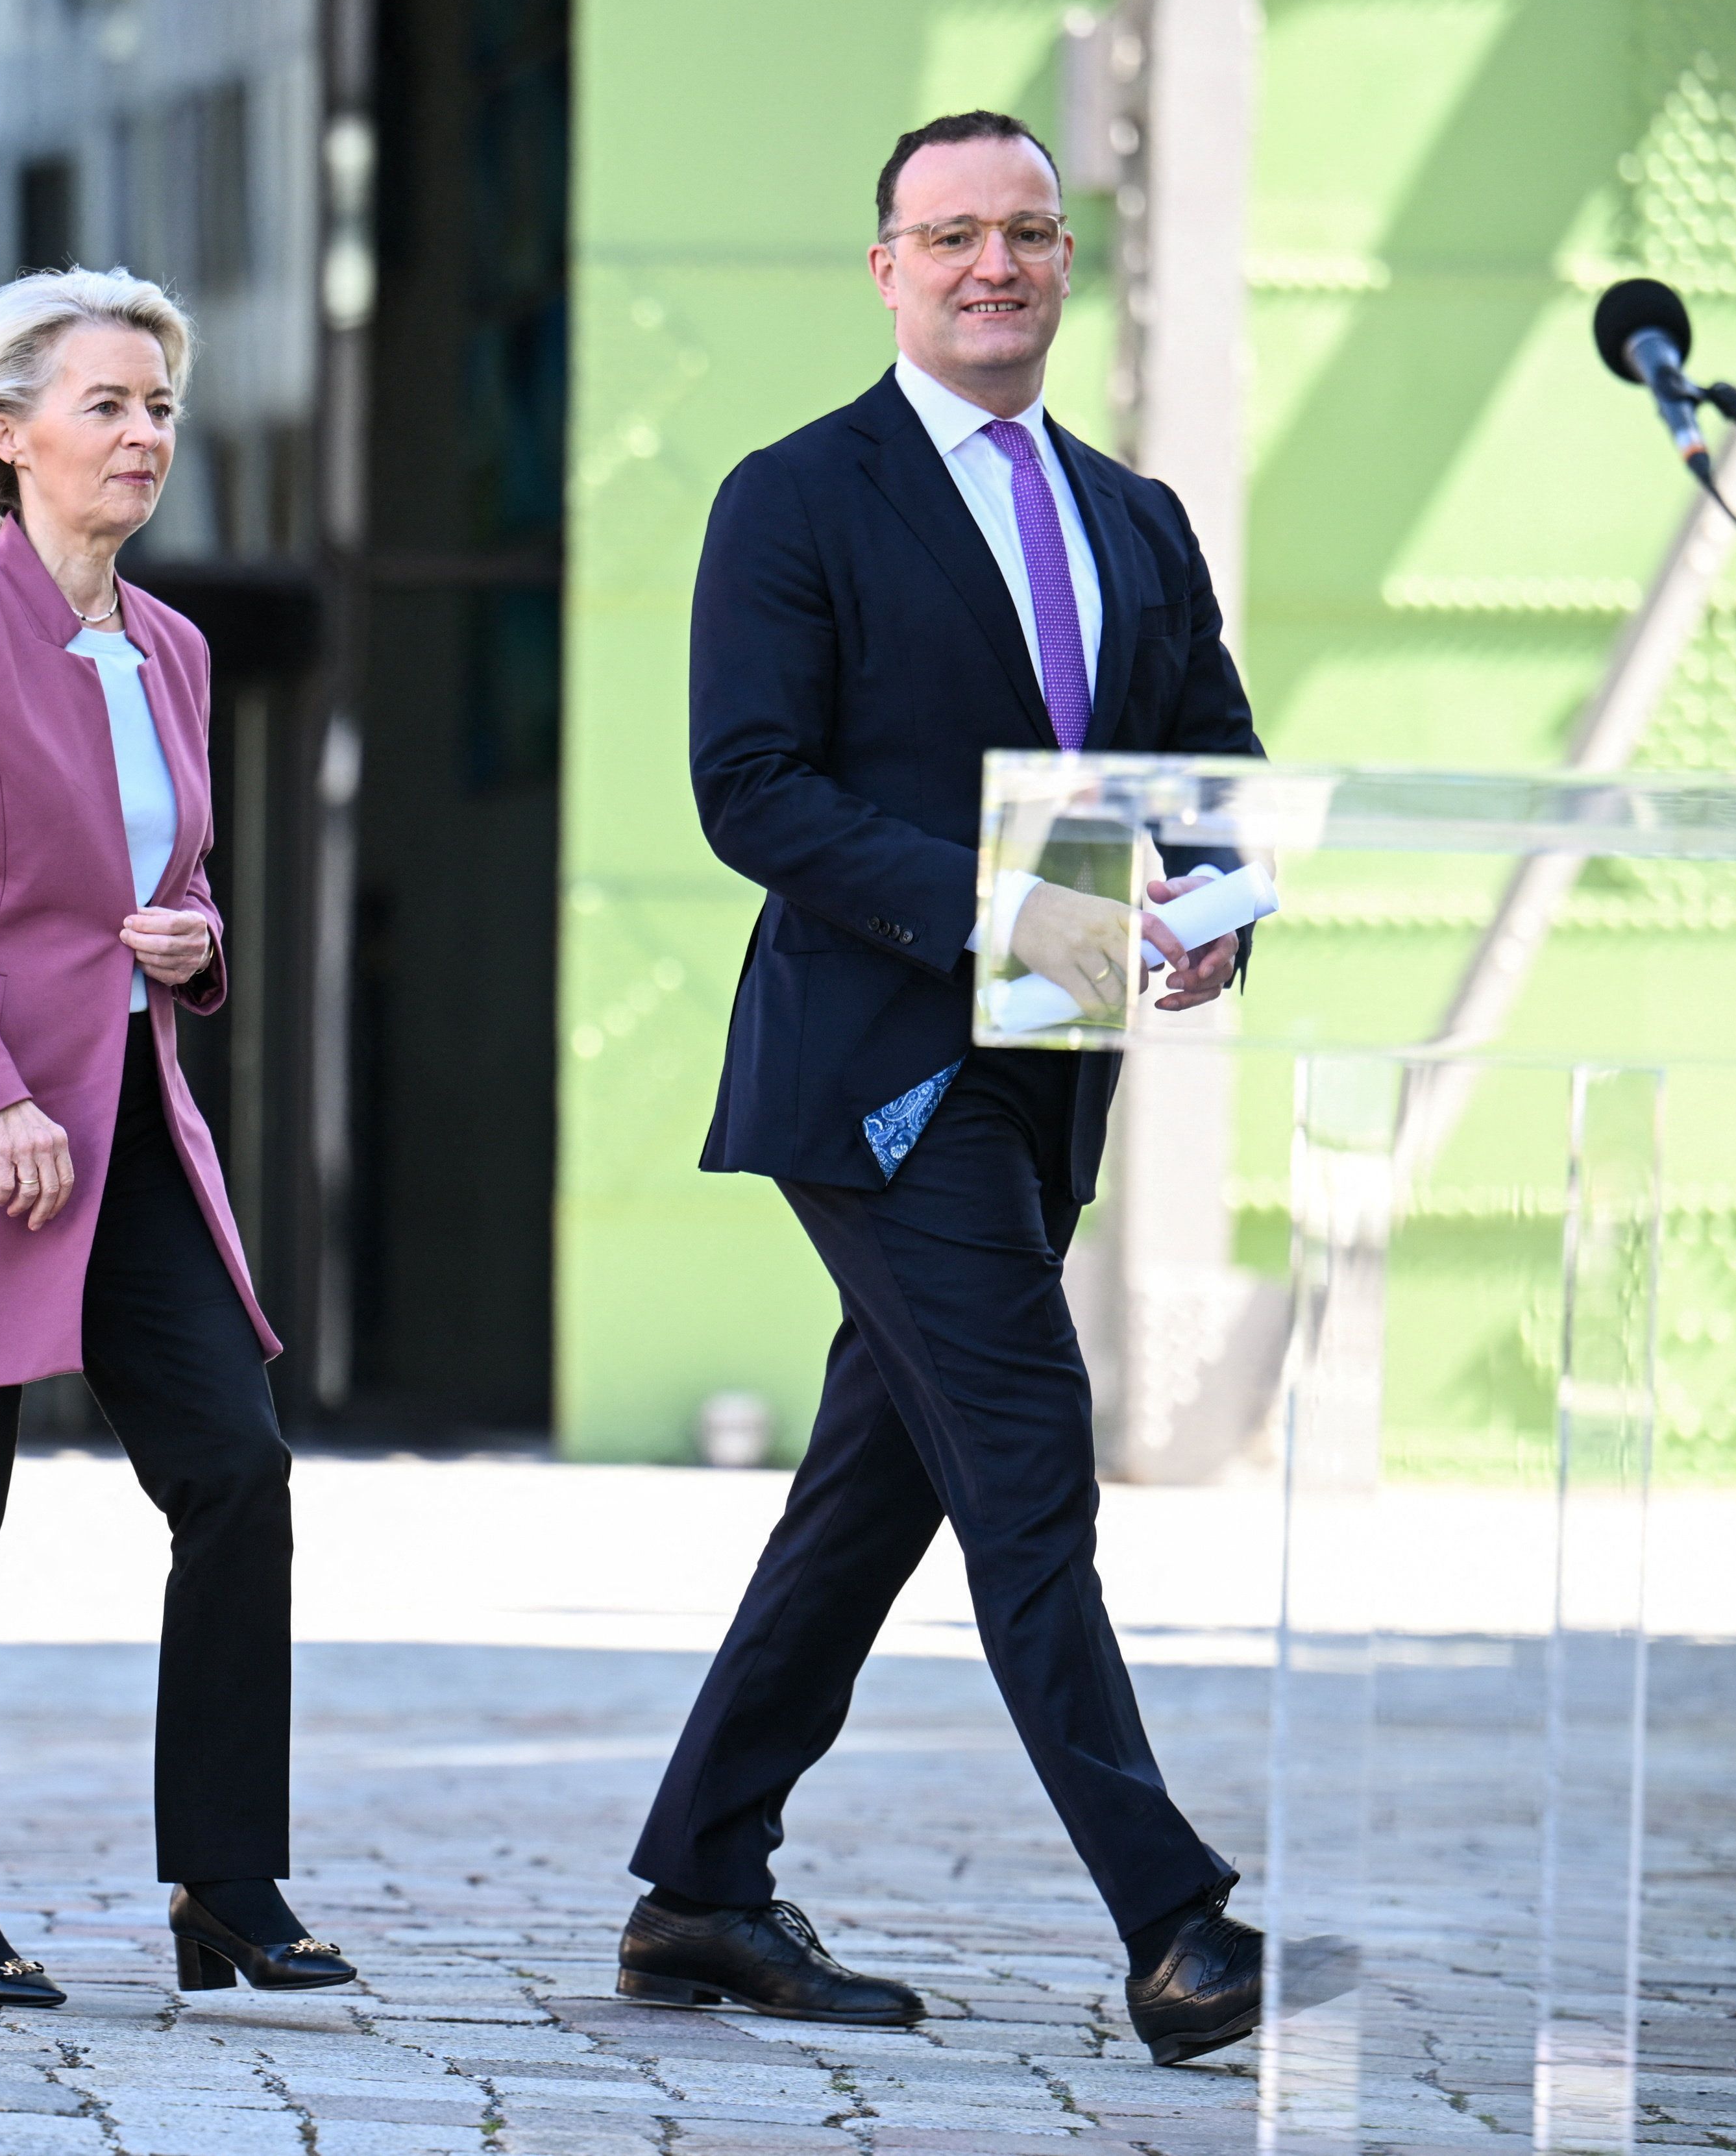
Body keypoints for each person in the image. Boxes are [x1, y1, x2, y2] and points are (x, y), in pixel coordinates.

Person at [618, 110, 1297, 2069]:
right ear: (887, 268)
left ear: (1065, 260)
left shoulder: (1134, 514)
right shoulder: (794, 496)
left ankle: (700, 1888)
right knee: (1023, 1449)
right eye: (950, 235)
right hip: (878, 1065)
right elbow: (753, 786)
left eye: (1025, 233)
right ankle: (1176, 1920)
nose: (990, 264)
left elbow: (1210, 772)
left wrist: (1214, 911)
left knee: (877, 1484)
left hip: (1053, 1064)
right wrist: (1024, 915)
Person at [0, 268, 349, 2010]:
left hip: (129, 1125)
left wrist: (193, 935)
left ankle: (228, 1881)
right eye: (111, 405)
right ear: (9, 434)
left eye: (161, 407)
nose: (147, 436)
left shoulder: (175, 647)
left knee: (238, 1471)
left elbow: (164, 885)